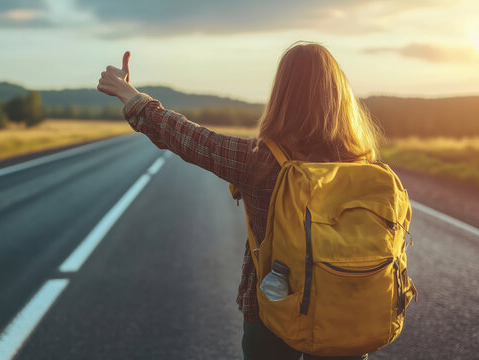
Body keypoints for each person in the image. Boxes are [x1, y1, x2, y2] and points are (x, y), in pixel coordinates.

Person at [97, 42, 379, 360]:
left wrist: (130, 95)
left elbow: (188, 137)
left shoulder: (261, 160)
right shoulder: (364, 167)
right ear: (339, 96)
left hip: (272, 309)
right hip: (345, 312)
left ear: (282, 95)